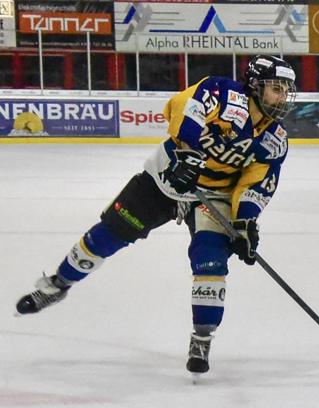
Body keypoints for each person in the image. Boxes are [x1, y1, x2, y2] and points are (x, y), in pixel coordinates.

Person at [14, 55, 297, 376]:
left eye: (286, 91)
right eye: (276, 88)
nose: (282, 98)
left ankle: (202, 338)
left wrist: (245, 222)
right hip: (168, 176)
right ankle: (58, 284)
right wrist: (189, 154)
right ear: (255, 86)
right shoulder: (224, 94)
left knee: (211, 260)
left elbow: (256, 183)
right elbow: (185, 107)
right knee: (110, 234)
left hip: (213, 197)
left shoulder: (275, 139)